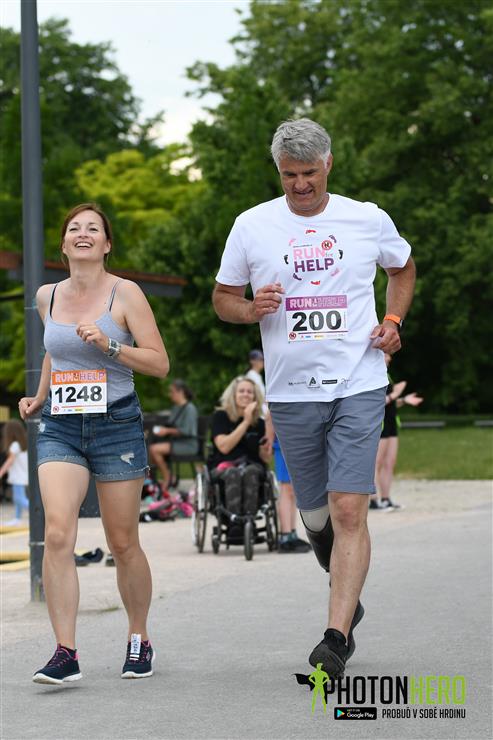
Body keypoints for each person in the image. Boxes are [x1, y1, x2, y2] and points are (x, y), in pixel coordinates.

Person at [212, 118, 416, 677]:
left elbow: (402, 268)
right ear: (277, 171)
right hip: (291, 392)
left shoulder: (366, 217)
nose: (300, 184)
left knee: (350, 508)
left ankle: (335, 637)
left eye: (309, 173)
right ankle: (345, 587)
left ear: (328, 164)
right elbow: (223, 297)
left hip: (359, 382)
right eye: (289, 175)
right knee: (316, 516)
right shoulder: (252, 225)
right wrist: (250, 308)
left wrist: (393, 320)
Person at [18, 202, 169, 685]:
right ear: (63, 244)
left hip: (115, 423)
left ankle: (139, 636)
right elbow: (55, 350)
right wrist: (40, 396)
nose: (82, 234)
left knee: (122, 542)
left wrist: (109, 346)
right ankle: (65, 651)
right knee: (58, 534)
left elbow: (159, 362)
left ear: (106, 245)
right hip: (61, 424)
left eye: (93, 229)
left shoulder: (126, 294)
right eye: (74, 228)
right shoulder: (47, 296)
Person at [207, 376, 271, 517]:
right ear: (233, 395)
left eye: (250, 392)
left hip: (252, 466)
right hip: (223, 466)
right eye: (241, 391)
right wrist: (246, 422)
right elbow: (224, 447)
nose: (245, 394)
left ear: (255, 397)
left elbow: (266, 458)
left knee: (251, 471)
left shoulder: (260, 424)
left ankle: (249, 519)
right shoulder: (221, 416)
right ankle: (233, 521)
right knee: (233, 472)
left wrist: (267, 437)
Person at [370, 353, 423, 511]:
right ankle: (373, 500)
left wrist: (404, 400)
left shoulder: (387, 376)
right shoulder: (373, 376)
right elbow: (377, 402)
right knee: (376, 463)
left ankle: (386, 499)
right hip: (381, 425)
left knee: (389, 462)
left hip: (392, 425)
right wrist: (395, 394)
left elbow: (391, 403)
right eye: (386, 355)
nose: (389, 358)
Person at [149, 379, 199, 490]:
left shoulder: (190, 409)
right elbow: (171, 424)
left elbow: (187, 431)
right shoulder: (176, 408)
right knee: (150, 449)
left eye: (172, 391)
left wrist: (167, 431)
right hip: (175, 442)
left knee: (154, 449)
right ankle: (155, 479)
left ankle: (167, 477)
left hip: (188, 445)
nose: (170, 394)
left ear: (180, 392)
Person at [272, 438, 311, 553]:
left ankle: (292, 534)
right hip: (283, 441)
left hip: (294, 441)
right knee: (286, 488)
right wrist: (269, 438)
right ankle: (285, 536)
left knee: (293, 490)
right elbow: (269, 425)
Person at [0, 419, 29, 526]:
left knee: (20, 499)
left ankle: (38, 513)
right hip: (22, 475)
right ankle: (17, 518)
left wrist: (1, 472)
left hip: (18, 477)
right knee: (18, 499)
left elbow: (10, 461)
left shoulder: (14, 445)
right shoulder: (22, 446)